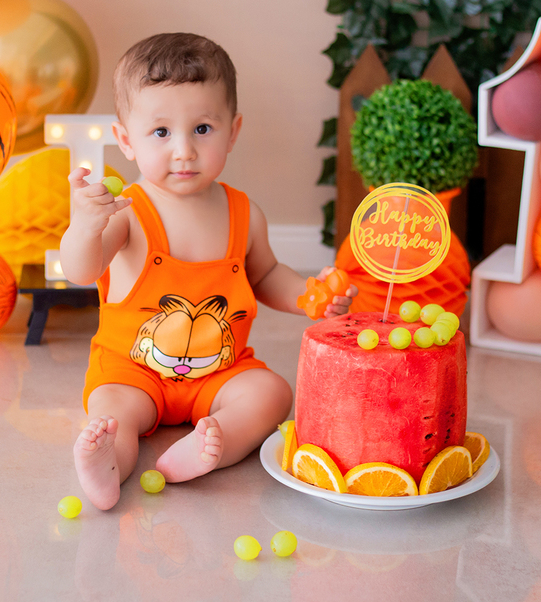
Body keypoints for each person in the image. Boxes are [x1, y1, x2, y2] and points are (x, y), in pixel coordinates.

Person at [63, 32, 356, 510]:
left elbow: (265, 276)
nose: (184, 150)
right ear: (126, 141)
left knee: (272, 393)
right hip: (132, 371)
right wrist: (83, 228)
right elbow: (81, 269)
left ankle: (208, 448)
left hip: (219, 373)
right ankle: (107, 462)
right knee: (114, 411)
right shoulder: (127, 213)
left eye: (202, 129)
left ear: (232, 131)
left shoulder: (245, 213)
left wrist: (309, 296)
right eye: (161, 133)